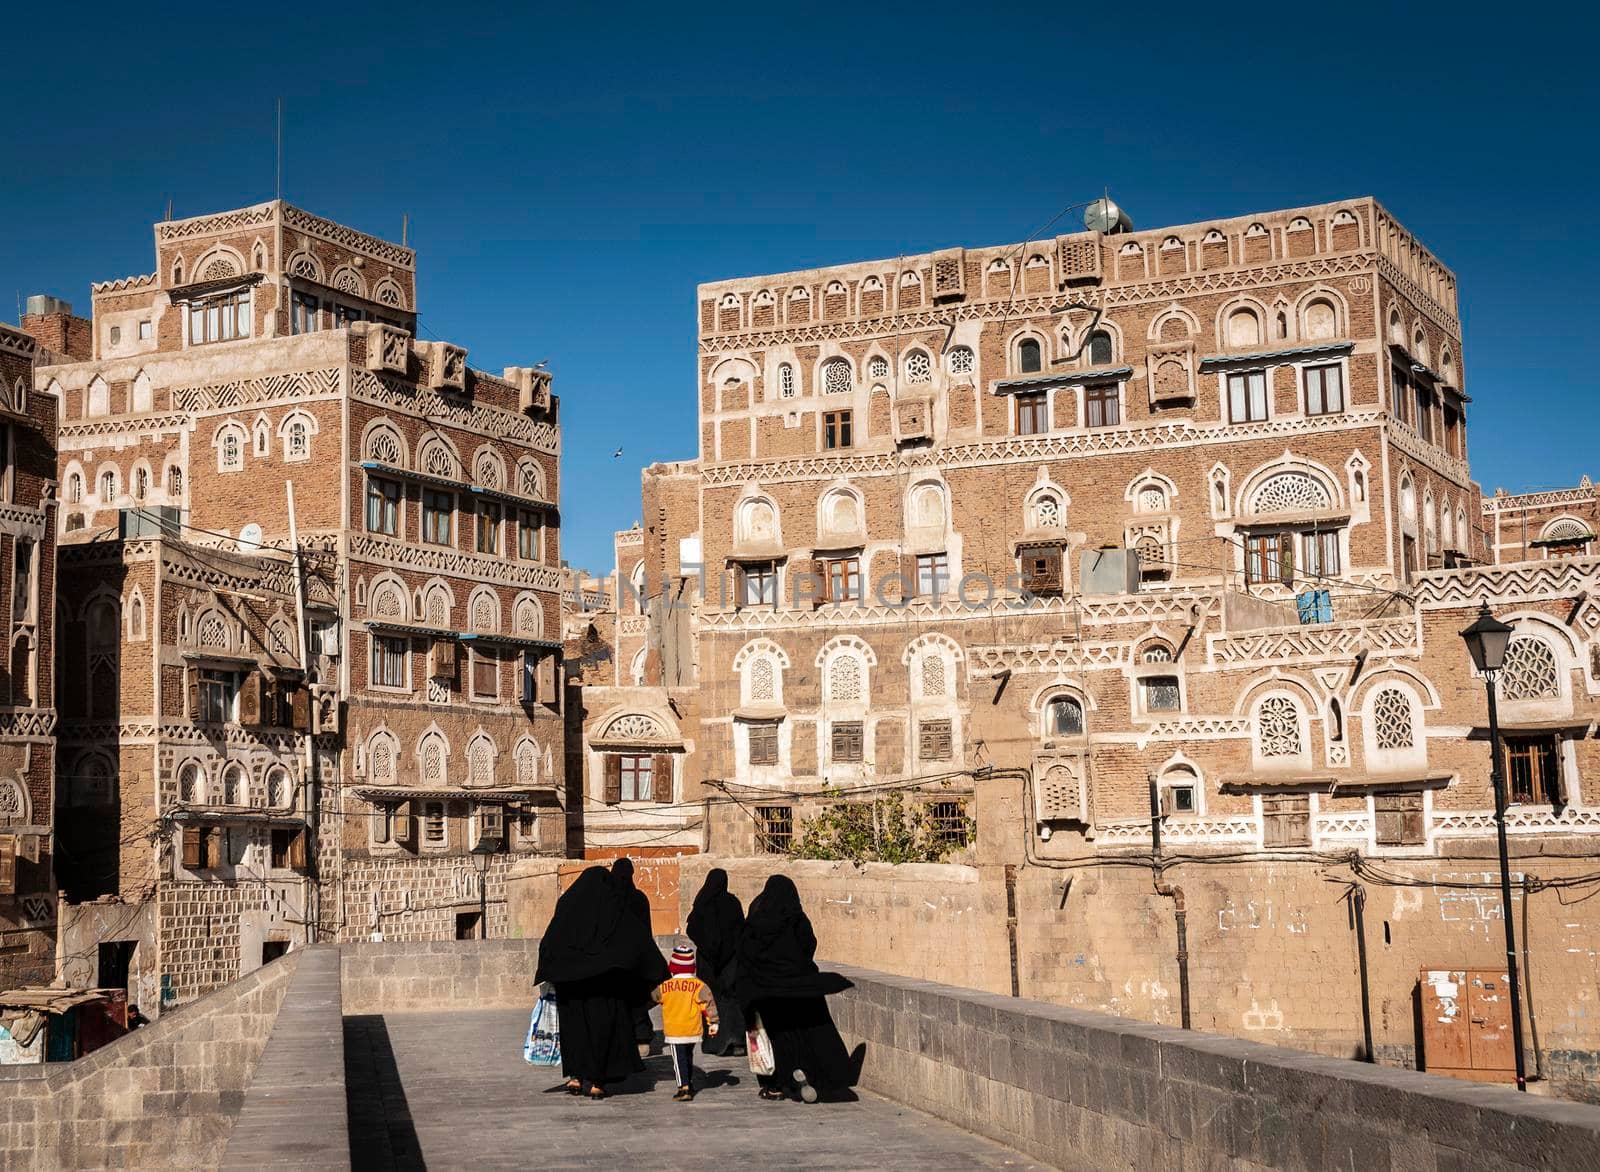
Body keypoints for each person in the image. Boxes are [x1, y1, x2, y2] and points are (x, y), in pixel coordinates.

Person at [535, 866, 669, 1099]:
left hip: (571, 988)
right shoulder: (613, 907)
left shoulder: (568, 905)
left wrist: (554, 973)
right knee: (601, 1032)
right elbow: (637, 942)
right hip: (605, 986)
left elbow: (550, 942)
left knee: (575, 1033)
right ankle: (597, 1082)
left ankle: (576, 1077)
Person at [736, 874, 855, 1103]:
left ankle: (778, 1086)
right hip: (800, 984)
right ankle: (812, 1077)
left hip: (767, 990)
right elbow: (809, 945)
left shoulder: (757, 920)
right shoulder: (797, 918)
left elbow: (745, 953)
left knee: (777, 1038)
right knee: (807, 1033)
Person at [685, 867, 746, 1056]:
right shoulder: (732, 903)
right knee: (732, 998)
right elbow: (741, 929)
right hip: (731, 961)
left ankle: (714, 1043)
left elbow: (692, 928)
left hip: (708, 962)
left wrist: (706, 946)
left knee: (709, 999)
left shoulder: (702, 902)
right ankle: (736, 1041)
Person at [651, 938, 719, 1101]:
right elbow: (708, 1004)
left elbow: (654, 997)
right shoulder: (699, 985)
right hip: (692, 1029)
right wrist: (713, 1022)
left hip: (675, 1030)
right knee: (688, 1056)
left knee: (678, 1059)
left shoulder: (665, 986)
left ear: (673, 967)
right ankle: (689, 1082)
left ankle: (684, 1087)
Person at [610, 857, 657, 1056]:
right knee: (637, 999)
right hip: (637, 957)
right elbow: (646, 929)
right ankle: (641, 1037)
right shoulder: (639, 898)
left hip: (613, 959)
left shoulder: (608, 897)